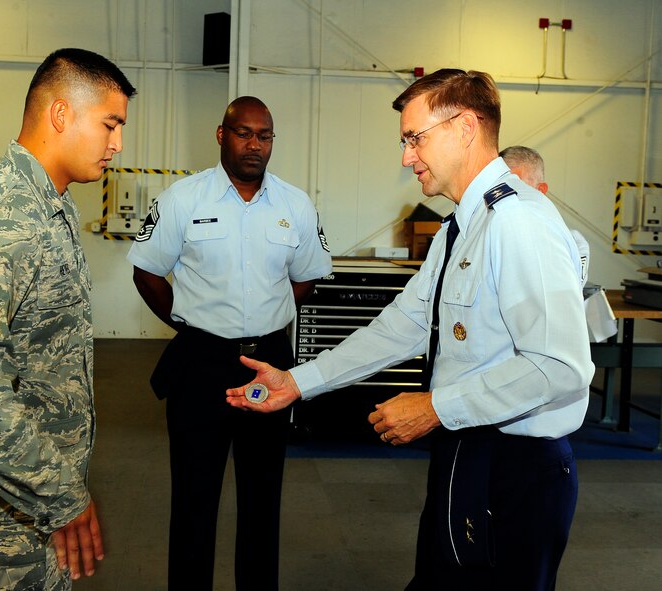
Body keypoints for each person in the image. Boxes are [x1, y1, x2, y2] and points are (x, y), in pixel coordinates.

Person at [226, 70, 594, 591]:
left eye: (414, 137)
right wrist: (299, 381)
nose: (405, 156)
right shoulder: (459, 229)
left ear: (465, 128)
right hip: (466, 450)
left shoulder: (519, 222)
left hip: (516, 469)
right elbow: (402, 326)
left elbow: (560, 368)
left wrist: (434, 407)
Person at [0, 48, 135, 590]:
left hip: (28, 494)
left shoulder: (49, 206)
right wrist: (61, 496)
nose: (118, 144)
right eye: (110, 124)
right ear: (61, 114)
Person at [127, 96, 332, 591]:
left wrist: (267, 319)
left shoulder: (295, 205)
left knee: (263, 498)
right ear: (222, 135)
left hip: (270, 368)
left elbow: (306, 278)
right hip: (201, 365)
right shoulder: (183, 200)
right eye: (243, 133)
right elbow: (148, 272)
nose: (254, 144)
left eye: (264, 136)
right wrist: (189, 324)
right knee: (194, 499)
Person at [500, 145, 590, 285]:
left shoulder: (572, 244)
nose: (504, 195)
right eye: (500, 187)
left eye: (517, 186)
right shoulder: (482, 234)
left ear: (540, 190)